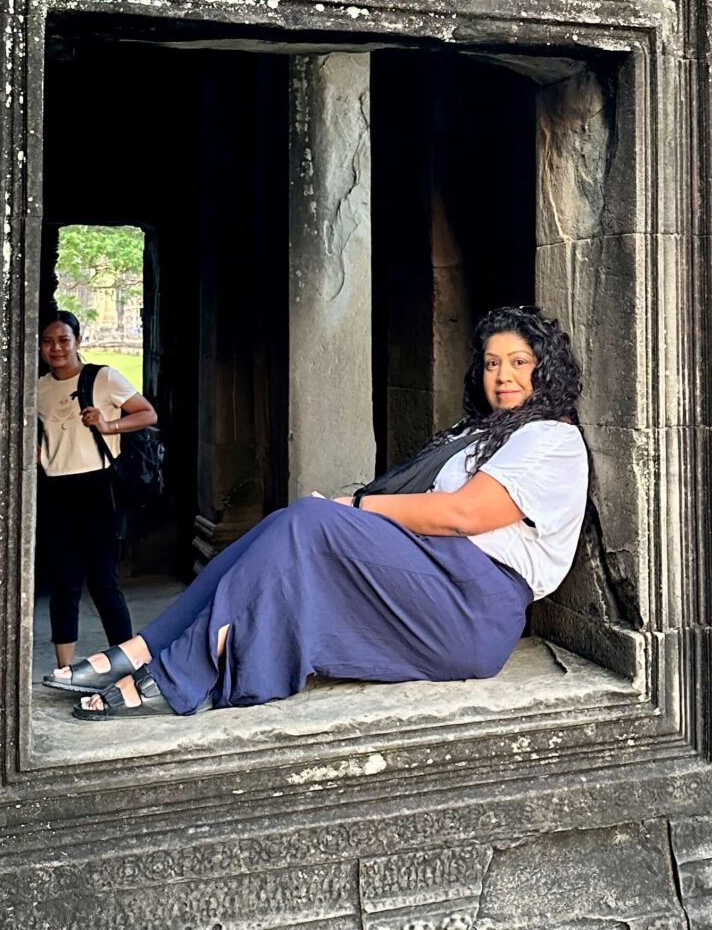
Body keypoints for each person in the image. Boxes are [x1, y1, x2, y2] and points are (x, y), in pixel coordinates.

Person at [47, 305, 588, 719]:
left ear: (548, 370)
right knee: (289, 522)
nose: (503, 376)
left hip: (473, 602)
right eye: (493, 363)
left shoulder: (551, 438)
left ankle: (173, 672)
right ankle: (145, 646)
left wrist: (355, 505)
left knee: (312, 521)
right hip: (434, 576)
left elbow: (464, 514)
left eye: (520, 363)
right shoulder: (483, 433)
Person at [36, 308, 159, 713]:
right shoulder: (36, 389)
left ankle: (126, 666)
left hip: (97, 485)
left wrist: (109, 425)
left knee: (104, 580)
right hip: (56, 488)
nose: (56, 348)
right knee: (64, 580)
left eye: (63, 340)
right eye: (48, 341)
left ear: (77, 341)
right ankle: (65, 669)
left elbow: (146, 413)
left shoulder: (101, 377)